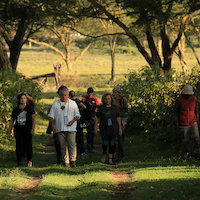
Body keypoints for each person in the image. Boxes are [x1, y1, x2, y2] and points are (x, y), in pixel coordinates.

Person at [48, 86, 80, 167]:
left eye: (66, 95)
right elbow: (51, 116)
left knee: (72, 143)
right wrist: (53, 125)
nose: (64, 97)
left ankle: (73, 160)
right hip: (60, 128)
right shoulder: (56, 104)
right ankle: (66, 161)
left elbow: (77, 115)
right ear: (59, 95)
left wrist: (72, 121)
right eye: (62, 95)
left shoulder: (73, 103)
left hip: (71, 128)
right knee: (62, 145)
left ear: (68, 95)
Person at [7, 92, 36, 167]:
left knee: (28, 144)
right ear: (18, 100)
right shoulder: (16, 110)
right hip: (18, 129)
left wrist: (32, 128)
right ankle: (19, 161)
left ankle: (29, 160)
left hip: (27, 129)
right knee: (19, 144)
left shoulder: (30, 108)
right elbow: (12, 120)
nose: (23, 100)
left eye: (24, 98)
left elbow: (33, 119)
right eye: (21, 98)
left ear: (27, 100)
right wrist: (9, 132)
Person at [172, 84, 200, 159]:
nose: (188, 96)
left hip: (193, 121)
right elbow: (175, 111)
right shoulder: (179, 100)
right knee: (185, 140)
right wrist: (175, 120)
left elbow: (196, 111)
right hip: (183, 122)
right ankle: (187, 154)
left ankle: (197, 153)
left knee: (196, 137)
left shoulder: (194, 99)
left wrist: (197, 122)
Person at [94, 93, 122, 165]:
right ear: (103, 100)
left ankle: (110, 159)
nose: (107, 100)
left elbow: (118, 118)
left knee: (112, 144)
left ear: (111, 99)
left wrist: (120, 128)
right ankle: (104, 153)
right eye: (106, 99)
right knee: (105, 143)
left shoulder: (115, 108)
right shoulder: (101, 108)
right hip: (104, 128)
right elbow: (97, 118)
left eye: (108, 99)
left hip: (113, 128)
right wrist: (95, 128)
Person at [112, 86, 129, 162]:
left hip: (121, 122)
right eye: (113, 92)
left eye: (115, 92)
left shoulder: (122, 101)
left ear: (119, 93)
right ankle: (112, 154)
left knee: (120, 139)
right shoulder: (111, 100)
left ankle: (120, 156)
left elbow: (127, 111)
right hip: (113, 122)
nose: (114, 94)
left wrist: (119, 114)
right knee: (112, 139)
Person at [82, 87, 100, 153]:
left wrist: (94, 108)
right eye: (89, 93)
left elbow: (98, 106)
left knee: (92, 132)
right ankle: (89, 147)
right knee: (89, 132)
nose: (90, 95)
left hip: (93, 117)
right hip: (87, 118)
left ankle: (91, 145)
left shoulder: (94, 99)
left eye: (91, 93)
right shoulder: (84, 99)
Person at [69, 90, 87, 156]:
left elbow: (84, 107)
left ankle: (81, 151)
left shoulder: (76, 101)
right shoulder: (77, 100)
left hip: (77, 120)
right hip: (76, 120)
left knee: (79, 136)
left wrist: (78, 111)